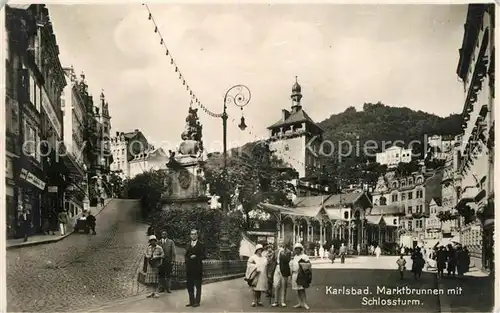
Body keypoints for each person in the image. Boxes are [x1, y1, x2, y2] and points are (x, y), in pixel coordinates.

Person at [185, 229, 205, 307]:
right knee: (189, 286)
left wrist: (196, 257)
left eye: (195, 234)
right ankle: (191, 301)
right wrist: (187, 260)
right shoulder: (187, 244)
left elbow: (204, 256)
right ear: (190, 235)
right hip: (189, 269)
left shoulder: (201, 245)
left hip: (197, 268)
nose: (193, 235)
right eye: (192, 234)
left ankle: (197, 301)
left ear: (197, 235)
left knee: (198, 286)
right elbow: (186, 256)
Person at [269, 241, 291, 307]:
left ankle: (282, 301)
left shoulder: (288, 251)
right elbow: (272, 261)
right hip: (277, 268)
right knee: (276, 285)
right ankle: (276, 301)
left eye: (282, 243)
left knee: (283, 285)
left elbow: (287, 260)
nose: (280, 244)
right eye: (279, 243)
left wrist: (283, 253)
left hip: (284, 269)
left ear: (284, 244)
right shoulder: (275, 251)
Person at [290, 243, 311, 310]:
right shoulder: (295, 257)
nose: (297, 250)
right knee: (298, 290)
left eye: (298, 249)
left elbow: (308, 265)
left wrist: (302, 265)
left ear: (301, 249)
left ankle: (305, 303)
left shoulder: (304, 256)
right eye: (296, 249)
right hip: (295, 274)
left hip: (301, 274)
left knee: (302, 289)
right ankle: (300, 302)